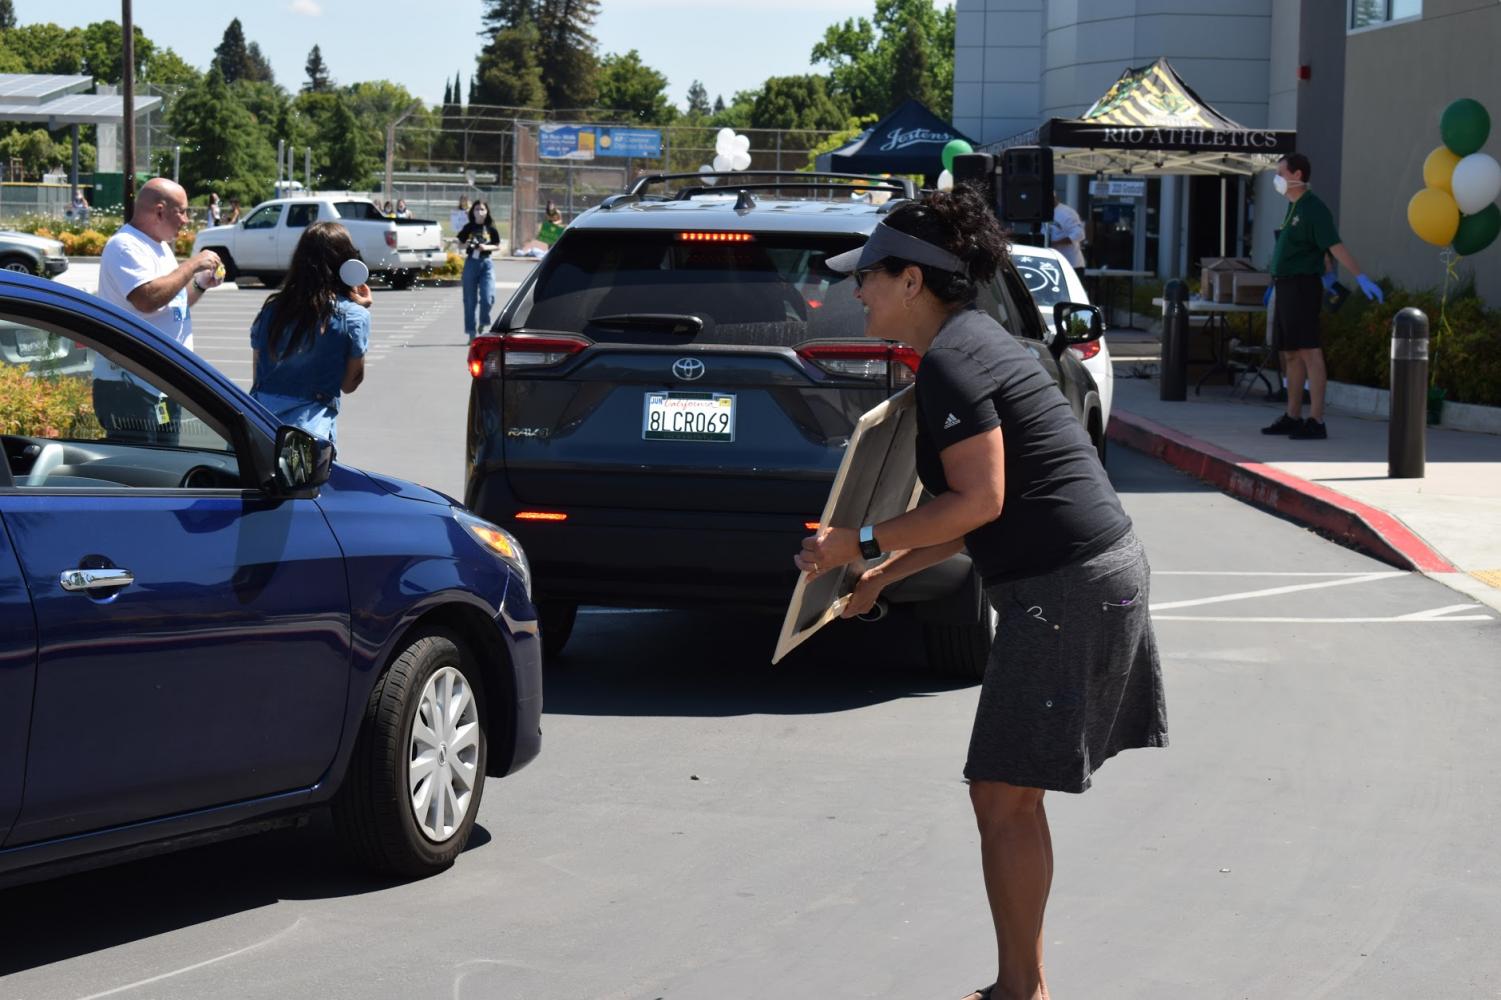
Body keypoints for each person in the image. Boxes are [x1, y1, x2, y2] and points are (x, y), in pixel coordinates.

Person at [794, 184, 1167, 1000]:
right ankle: (1020, 987)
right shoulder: (978, 342)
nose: (853, 289)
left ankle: (1018, 992)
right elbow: (987, 511)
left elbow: (980, 502)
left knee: (1001, 794)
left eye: (867, 276)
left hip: (1066, 586)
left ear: (912, 281)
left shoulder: (955, 363)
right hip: (1091, 575)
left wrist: (851, 544)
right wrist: (879, 575)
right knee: (1010, 794)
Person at [1259, 152, 1384, 440]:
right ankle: (1293, 415)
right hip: (1286, 286)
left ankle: (1316, 420)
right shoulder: (1294, 207)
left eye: (1281, 172)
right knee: (1290, 352)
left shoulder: (1313, 207)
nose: (1277, 179)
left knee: (1309, 350)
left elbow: (1334, 246)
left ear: (1297, 175)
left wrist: (1359, 276)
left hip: (1303, 286)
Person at [93, 178, 223, 445]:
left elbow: (171, 302)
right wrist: (192, 265)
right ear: (160, 211)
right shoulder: (125, 245)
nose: (186, 220)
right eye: (182, 211)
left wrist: (199, 284)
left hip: (160, 384)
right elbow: (147, 298)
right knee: (139, 474)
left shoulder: (160, 247)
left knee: (164, 469)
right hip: (130, 387)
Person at [248, 222, 371, 443]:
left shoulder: (272, 309)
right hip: (309, 434)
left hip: (258, 426)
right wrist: (357, 311)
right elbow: (350, 383)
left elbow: (258, 375)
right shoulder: (352, 317)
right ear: (347, 263)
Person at [456, 200, 500, 340]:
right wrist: (469, 244)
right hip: (471, 263)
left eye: (482, 209)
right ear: (472, 212)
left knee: (488, 298)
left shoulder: (490, 227)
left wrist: (485, 247)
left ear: (487, 211)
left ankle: (483, 321)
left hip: (486, 263)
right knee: (470, 300)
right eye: (476, 209)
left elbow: (497, 245)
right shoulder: (469, 227)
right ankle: (471, 333)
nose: (479, 212)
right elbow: (460, 245)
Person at [1047, 191, 1086, 269]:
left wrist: (1055, 243)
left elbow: (1079, 234)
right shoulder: (1043, 213)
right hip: (1053, 264)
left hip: (1071, 265)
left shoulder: (1067, 212)